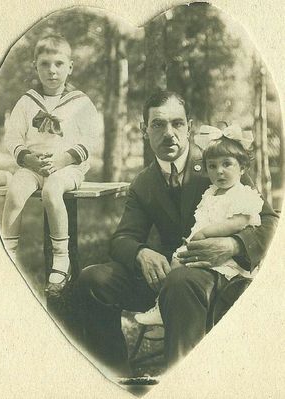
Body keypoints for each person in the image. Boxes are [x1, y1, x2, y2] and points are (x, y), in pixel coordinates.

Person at [72, 91, 278, 376]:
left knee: (180, 282)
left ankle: (180, 383)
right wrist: (140, 253)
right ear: (145, 131)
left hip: (216, 277)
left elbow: (270, 221)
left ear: (189, 127)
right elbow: (122, 239)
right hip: (167, 275)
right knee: (94, 279)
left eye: (177, 124)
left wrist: (233, 244)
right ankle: (116, 378)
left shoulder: (219, 163)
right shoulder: (144, 183)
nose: (169, 133)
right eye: (158, 125)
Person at [135, 124, 263, 326]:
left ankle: (166, 310)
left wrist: (206, 233)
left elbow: (240, 221)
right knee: (176, 264)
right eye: (212, 166)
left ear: (243, 168)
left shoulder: (242, 194)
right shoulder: (211, 192)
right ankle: (164, 308)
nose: (219, 171)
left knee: (181, 273)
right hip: (200, 249)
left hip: (228, 262)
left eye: (227, 164)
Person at [1, 35, 99, 297]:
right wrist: (27, 158)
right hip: (35, 164)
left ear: (70, 66)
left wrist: (65, 159)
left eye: (58, 63)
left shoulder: (80, 102)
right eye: (45, 64)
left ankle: (61, 258)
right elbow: (11, 137)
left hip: (67, 167)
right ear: (35, 66)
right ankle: (7, 251)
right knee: (15, 190)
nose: (52, 70)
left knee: (52, 191)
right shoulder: (27, 101)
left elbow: (91, 139)